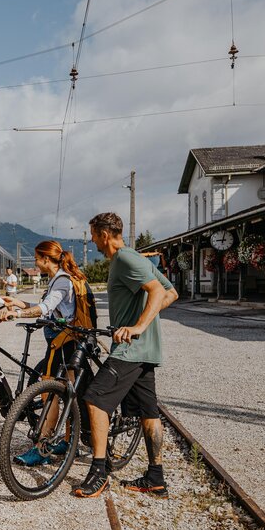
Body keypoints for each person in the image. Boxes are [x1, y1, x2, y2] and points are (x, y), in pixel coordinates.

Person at [74, 212, 178, 499]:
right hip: (145, 350)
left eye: (94, 235)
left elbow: (157, 292)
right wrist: (143, 321)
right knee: (149, 412)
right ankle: (155, 479)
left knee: (95, 400)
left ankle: (99, 473)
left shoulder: (125, 259)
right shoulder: (137, 258)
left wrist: (137, 326)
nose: (93, 240)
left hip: (131, 350)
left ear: (104, 234)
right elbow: (171, 293)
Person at [0, 241, 86, 466]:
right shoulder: (62, 279)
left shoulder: (62, 280)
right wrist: (19, 302)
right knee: (68, 393)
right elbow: (50, 306)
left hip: (62, 343)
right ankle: (68, 440)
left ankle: (42, 449)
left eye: (37, 258)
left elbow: (44, 309)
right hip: (68, 342)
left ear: (46, 259)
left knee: (50, 394)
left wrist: (16, 314)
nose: (35, 262)